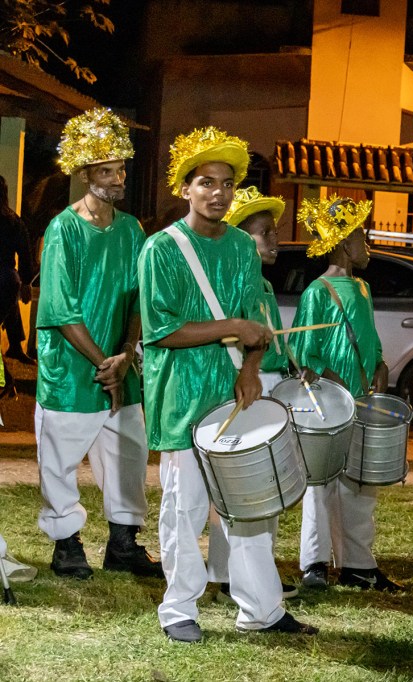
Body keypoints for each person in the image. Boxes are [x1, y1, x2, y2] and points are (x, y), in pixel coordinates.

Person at [139, 126, 316, 642]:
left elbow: (254, 322)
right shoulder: (161, 249)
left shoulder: (242, 247)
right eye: (206, 182)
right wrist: (232, 328)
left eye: (226, 183)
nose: (218, 193)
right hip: (182, 397)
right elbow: (162, 331)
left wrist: (249, 368)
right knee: (185, 508)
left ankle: (261, 610)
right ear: (185, 189)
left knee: (250, 507)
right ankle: (178, 610)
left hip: (233, 394)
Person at [35, 108, 161, 581]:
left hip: (120, 367)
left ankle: (122, 545)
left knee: (128, 453)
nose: (117, 179)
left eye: (120, 169)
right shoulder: (64, 229)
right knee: (60, 458)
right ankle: (66, 545)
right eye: (106, 171)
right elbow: (61, 308)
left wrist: (126, 353)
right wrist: (105, 363)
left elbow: (139, 297)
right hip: (72, 370)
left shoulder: (131, 230)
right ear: (85, 175)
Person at [290, 195, 402, 593]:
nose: (367, 244)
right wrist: (332, 381)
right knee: (320, 484)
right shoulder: (318, 292)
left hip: (361, 401)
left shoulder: (363, 288)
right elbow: (304, 351)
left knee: (359, 484)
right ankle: (315, 562)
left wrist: (381, 364)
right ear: (342, 244)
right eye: (361, 236)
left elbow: (368, 339)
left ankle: (358, 564)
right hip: (329, 405)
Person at [206, 186, 298, 604]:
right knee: (243, 487)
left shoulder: (262, 283)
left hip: (269, 383)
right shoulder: (232, 280)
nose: (275, 240)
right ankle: (229, 577)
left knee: (265, 487)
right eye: (265, 232)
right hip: (249, 385)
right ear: (242, 237)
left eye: (274, 231)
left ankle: (254, 574)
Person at [0, 174, 35, 365]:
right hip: (7, 277)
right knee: (10, 295)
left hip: (5, 277)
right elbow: (25, 252)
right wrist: (26, 282)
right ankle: (15, 346)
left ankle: (14, 348)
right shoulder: (13, 220)